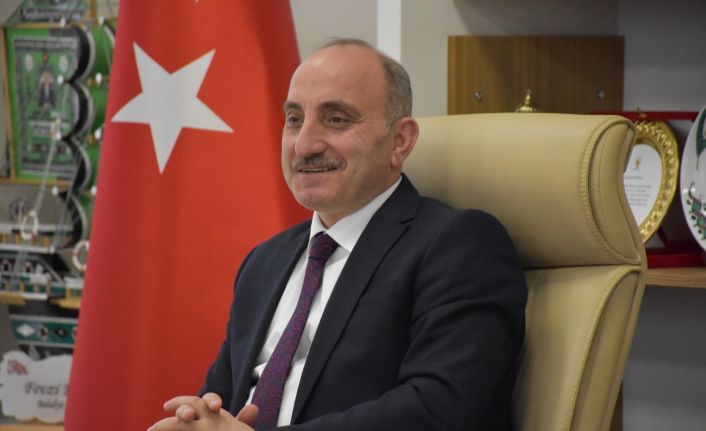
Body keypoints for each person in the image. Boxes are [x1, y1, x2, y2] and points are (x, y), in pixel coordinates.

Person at [148, 38, 526, 431]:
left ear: (400, 141)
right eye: (294, 119)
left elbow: (438, 409)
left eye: (337, 120)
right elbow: (221, 404)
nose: (305, 145)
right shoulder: (264, 262)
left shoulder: (458, 245)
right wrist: (196, 421)